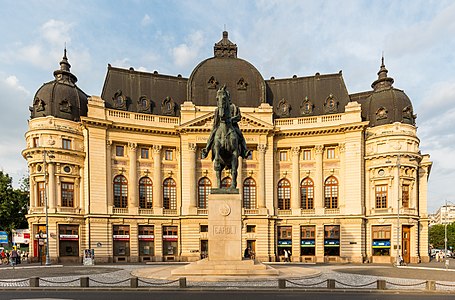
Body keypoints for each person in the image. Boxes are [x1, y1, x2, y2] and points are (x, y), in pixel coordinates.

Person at [202, 87, 251, 159]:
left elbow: (238, 117)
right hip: (220, 126)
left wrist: (231, 120)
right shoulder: (218, 109)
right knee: (212, 135)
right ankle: (206, 150)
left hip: (233, 126)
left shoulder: (235, 107)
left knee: (240, 136)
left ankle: (245, 150)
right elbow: (216, 120)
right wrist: (214, 128)